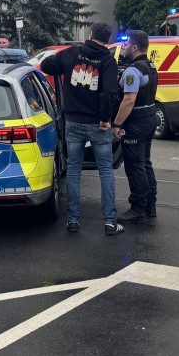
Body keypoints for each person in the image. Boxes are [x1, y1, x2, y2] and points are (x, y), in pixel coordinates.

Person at [41, 21, 125, 236]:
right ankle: (109, 222)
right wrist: (106, 119)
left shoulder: (73, 53)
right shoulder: (107, 60)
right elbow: (108, 93)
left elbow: (47, 66)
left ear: (90, 34)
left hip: (73, 121)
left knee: (74, 170)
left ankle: (73, 221)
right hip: (98, 123)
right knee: (105, 171)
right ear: (106, 39)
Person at [112, 30, 159, 224]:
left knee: (134, 165)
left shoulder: (133, 70)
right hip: (149, 118)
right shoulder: (150, 66)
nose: (123, 48)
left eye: (125, 45)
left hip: (136, 122)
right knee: (145, 162)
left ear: (134, 47)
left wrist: (117, 124)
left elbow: (129, 100)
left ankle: (138, 208)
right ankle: (150, 204)